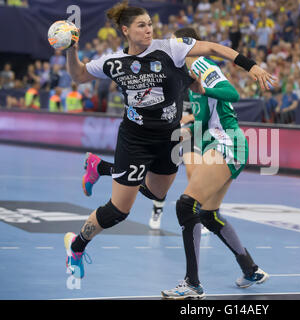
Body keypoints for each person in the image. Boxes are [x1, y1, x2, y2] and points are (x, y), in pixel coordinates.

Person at [63, 0, 275, 283]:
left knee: (157, 194)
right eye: (142, 25)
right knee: (118, 211)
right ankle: (76, 247)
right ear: (126, 30)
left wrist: (251, 66)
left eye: (150, 23)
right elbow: (77, 75)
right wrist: (71, 49)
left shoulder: (170, 48)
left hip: (168, 138)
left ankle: (100, 167)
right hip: (135, 140)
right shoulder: (113, 62)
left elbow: (212, 47)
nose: (149, 29)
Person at [161, 27, 269, 299]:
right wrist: (180, 134)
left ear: (186, 44)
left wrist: (202, 86)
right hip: (221, 143)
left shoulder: (200, 63)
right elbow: (200, 124)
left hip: (228, 142)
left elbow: (231, 94)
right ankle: (251, 269)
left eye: (175, 42)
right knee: (208, 214)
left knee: (186, 205)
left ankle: (192, 284)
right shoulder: (187, 76)